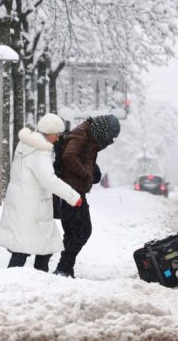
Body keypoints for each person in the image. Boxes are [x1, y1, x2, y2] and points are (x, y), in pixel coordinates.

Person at [0, 114, 83, 272]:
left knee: (38, 247)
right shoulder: (40, 151)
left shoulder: (26, 145)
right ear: (49, 133)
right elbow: (49, 180)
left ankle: (36, 279)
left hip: (23, 204)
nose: (58, 139)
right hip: (31, 207)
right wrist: (73, 197)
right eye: (57, 135)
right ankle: (21, 281)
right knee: (25, 250)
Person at [54, 114, 120, 277]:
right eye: (110, 137)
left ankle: (65, 268)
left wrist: (93, 170)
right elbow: (69, 156)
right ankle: (63, 268)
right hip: (71, 190)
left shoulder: (89, 135)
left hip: (73, 189)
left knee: (72, 232)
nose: (109, 141)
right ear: (103, 131)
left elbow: (80, 155)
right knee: (83, 230)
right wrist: (86, 174)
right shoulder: (81, 134)